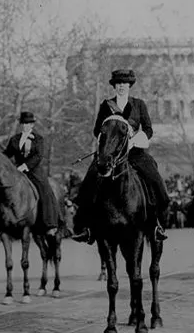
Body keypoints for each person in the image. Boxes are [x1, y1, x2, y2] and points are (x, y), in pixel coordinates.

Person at [71, 69, 170, 246]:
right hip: (111, 153)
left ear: (129, 86)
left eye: (124, 84)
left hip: (134, 152)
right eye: (118, 84)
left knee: (154, 179)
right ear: (115, 86)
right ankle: (86, 228)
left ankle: (156, 224)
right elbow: (97, 130)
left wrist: (134, 139)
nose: (121, 87)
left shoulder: (139, 104)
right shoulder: (106, 105)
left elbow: (148, 129)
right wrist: (107, 141)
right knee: (90, 180)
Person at [3, 111, 61, 236]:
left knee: (44, 190)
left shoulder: (38, 139)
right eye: (24, 123)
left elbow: (39, 156)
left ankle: (50, 223)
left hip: (34, 170)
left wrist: (26, 166)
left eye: (28, 124)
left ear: (32, 125)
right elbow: (7, 155)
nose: (25, 126)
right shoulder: (14, 139)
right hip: (18, 171)